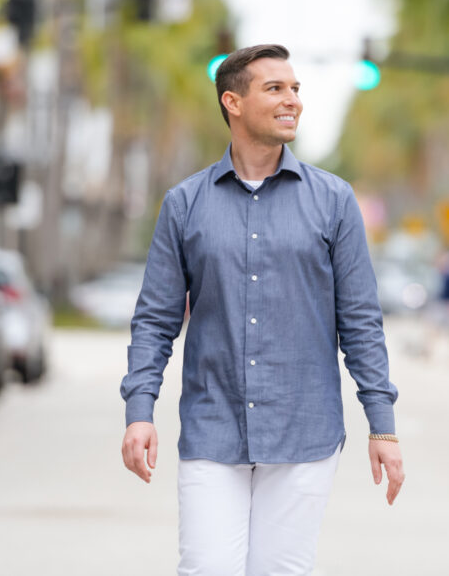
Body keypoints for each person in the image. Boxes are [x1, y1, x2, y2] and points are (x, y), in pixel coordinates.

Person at [120, 44, 403, 575]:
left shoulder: (334, 200)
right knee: (205, 568)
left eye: (295, 89)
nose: (291, 99)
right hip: (212, 428)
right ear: (233, 102)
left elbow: (360, 321)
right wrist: (140, 411)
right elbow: (155, 321)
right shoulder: (184, 204)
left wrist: (382, 427)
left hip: (305, 433)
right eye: (275, 88)